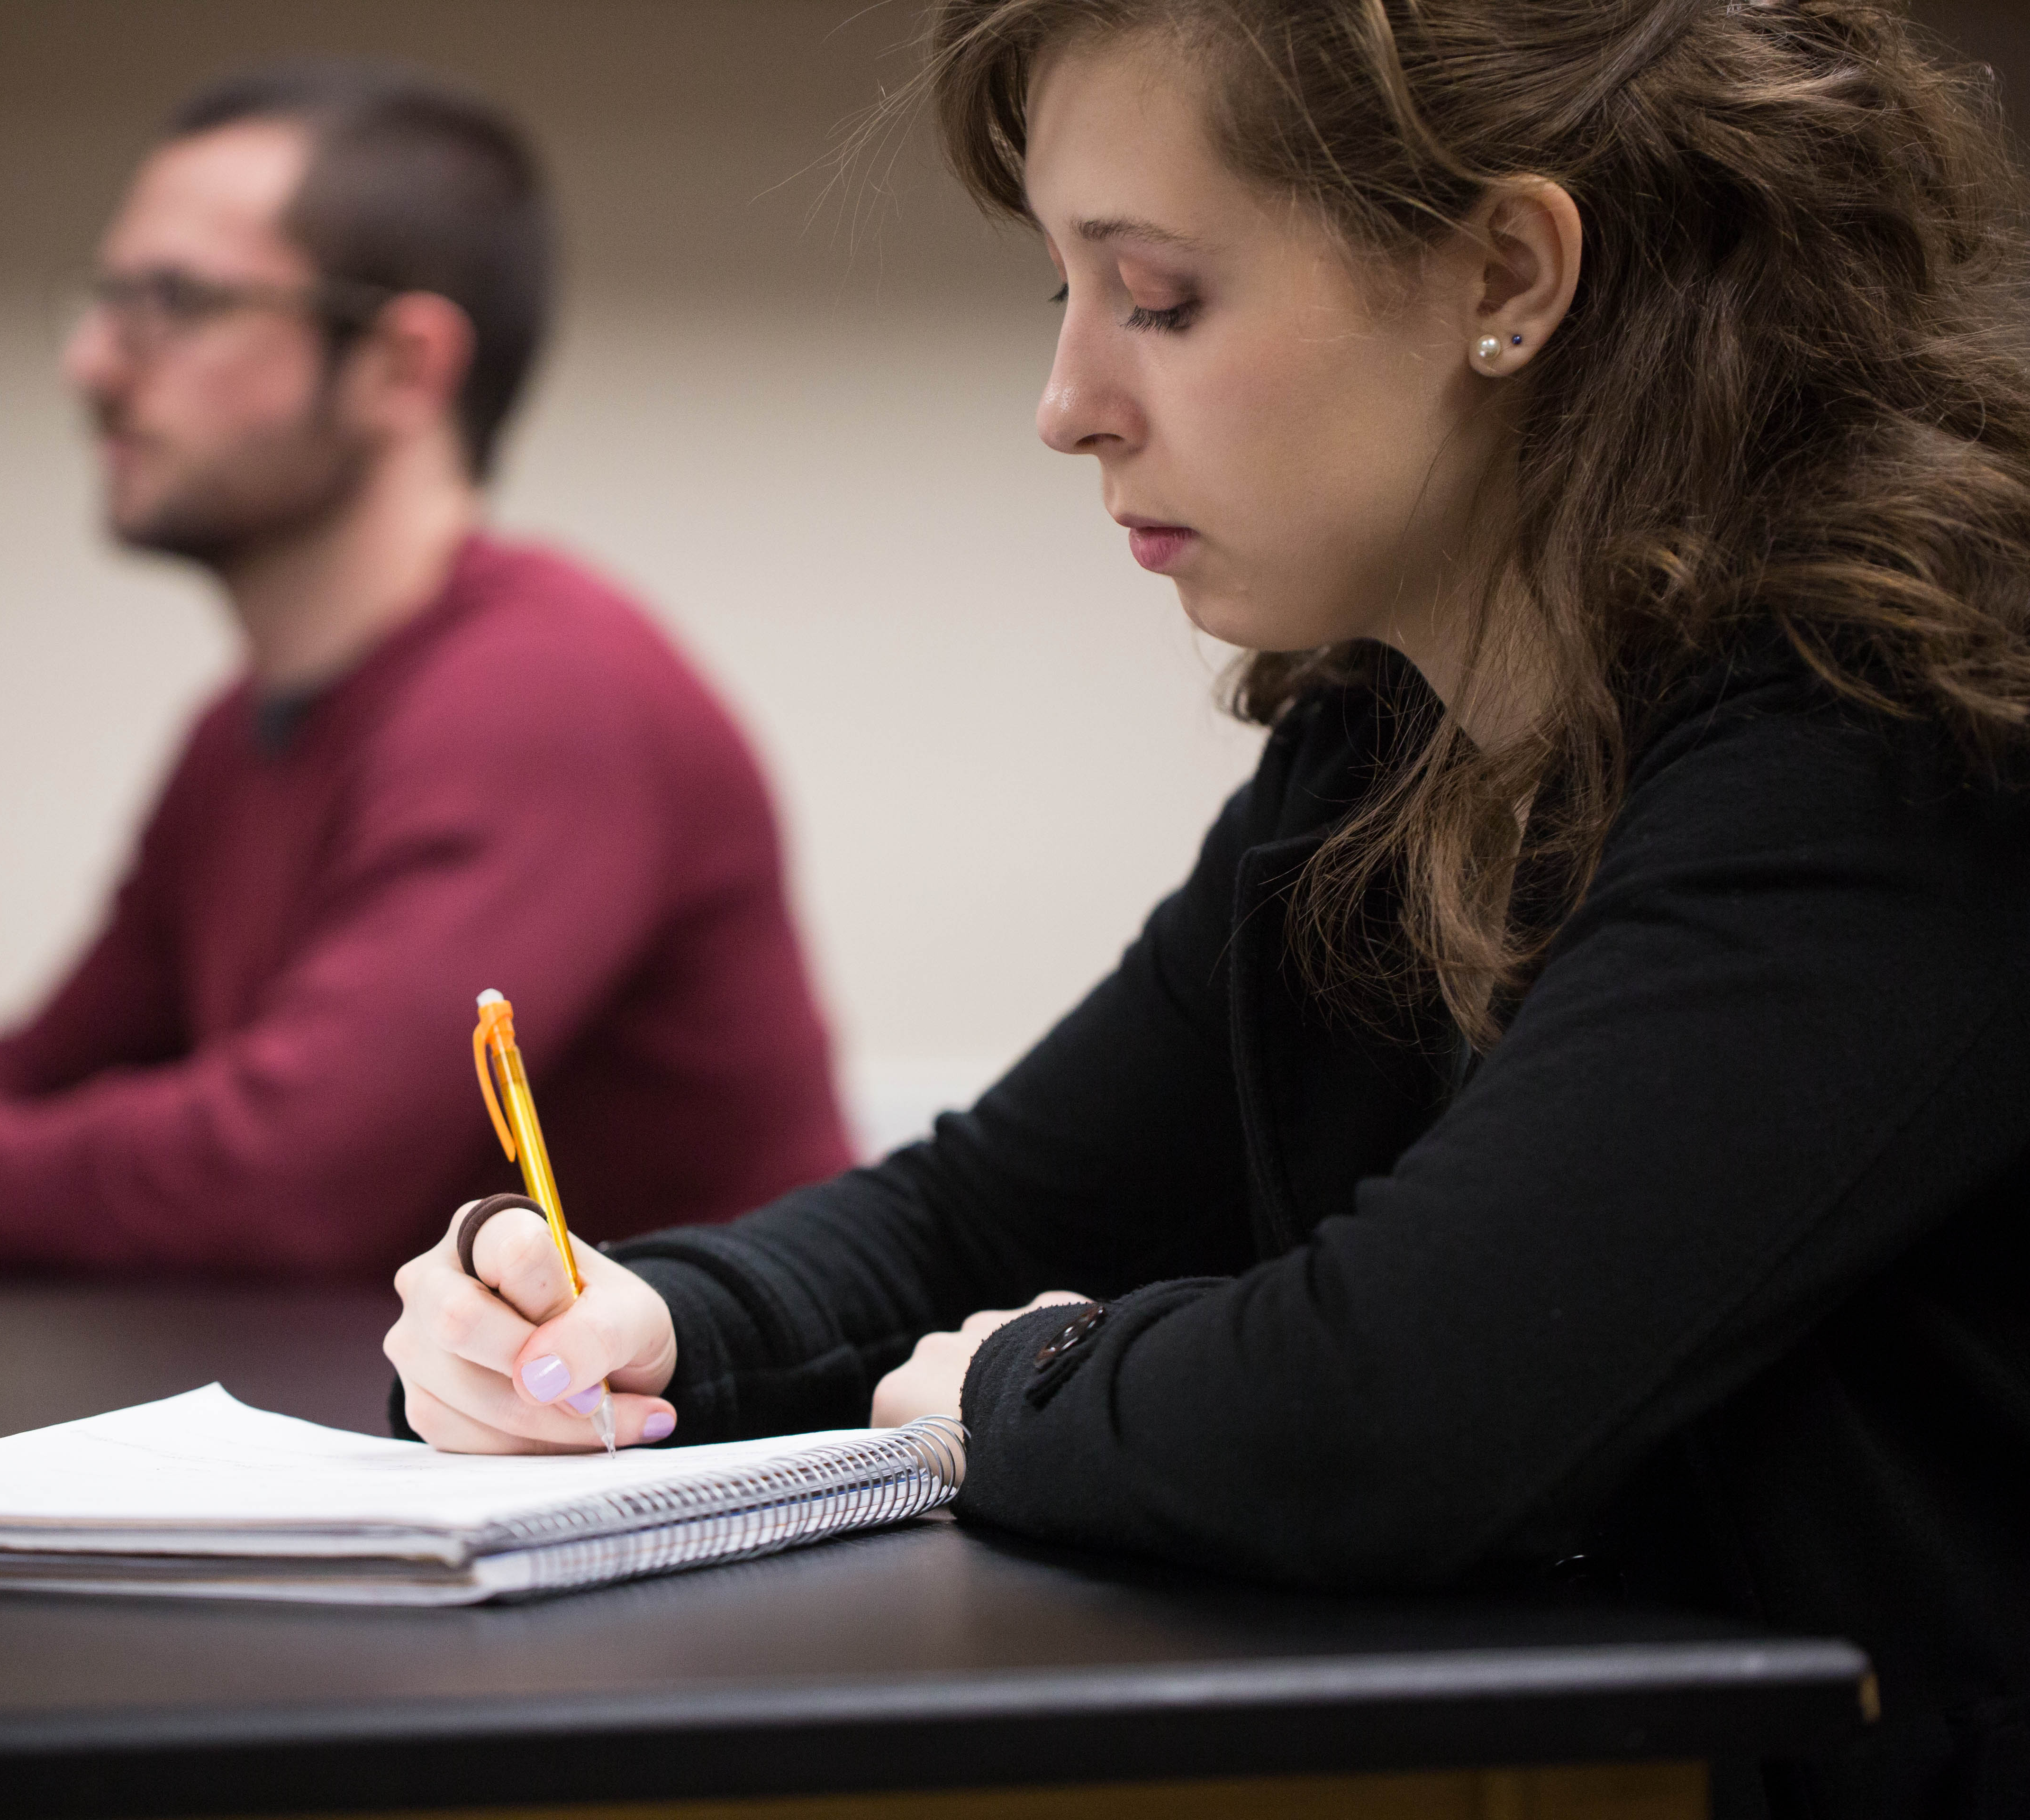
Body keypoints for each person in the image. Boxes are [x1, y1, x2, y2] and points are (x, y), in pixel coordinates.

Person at [381, 3, 2030, 1812]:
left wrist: (1021, 1391)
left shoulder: (1890, 732)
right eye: (1062, 300)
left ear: (1510, 272)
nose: (1070, 403)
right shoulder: (1394, 734)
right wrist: (638, 1327)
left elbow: (1395, 1410)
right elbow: (990, 1212)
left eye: (1156, 298)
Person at [0, 61, 853, 1277]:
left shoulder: (548, 694)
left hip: (705, 1480)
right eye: (107, 302)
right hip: (456, 1454)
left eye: (173, 304)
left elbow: (291, 1170)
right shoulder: (241, 734)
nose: (94, 363)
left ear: (404, 368)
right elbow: (53, 1067)